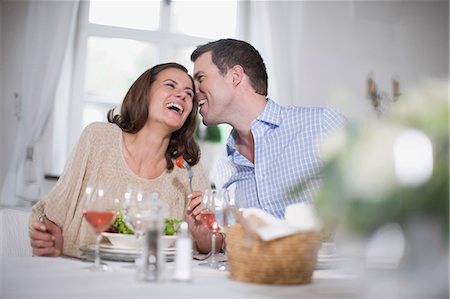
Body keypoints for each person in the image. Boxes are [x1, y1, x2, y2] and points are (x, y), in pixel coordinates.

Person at [29, 62, 222, 257]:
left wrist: (203, 235)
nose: (182, 95)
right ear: (144, 93)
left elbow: (213, 244)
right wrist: (49, 237)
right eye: (170, 85)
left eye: (189, 94)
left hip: (154, 283)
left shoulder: (189, 166)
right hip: (83, 273)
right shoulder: (98, 138)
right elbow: (56, 210)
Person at [191, 39, 346, 219]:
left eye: (200, 78)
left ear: (235, 76)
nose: (193, 91)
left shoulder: (322, 124)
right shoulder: (225, 166)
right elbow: (234, 237)